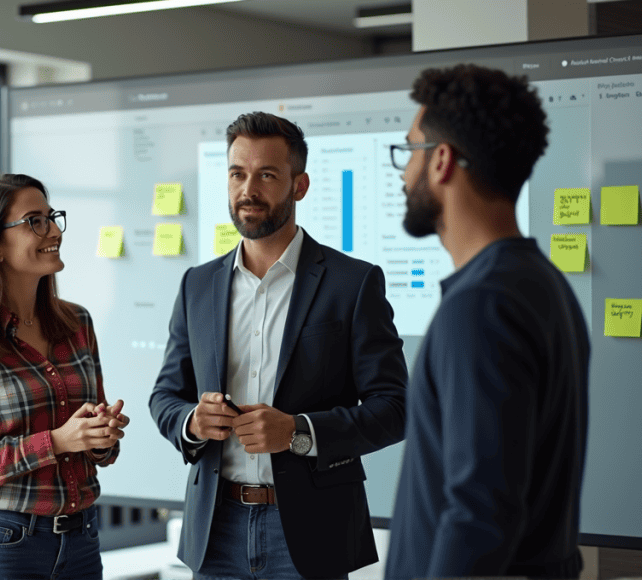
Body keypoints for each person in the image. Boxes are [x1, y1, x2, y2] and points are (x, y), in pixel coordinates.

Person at [149, 112, 408, 579]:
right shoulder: (197, 285)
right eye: (237, 173)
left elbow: (395, 408)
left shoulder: (353, 283)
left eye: (266, 175)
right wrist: (192, 421)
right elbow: (165, 395)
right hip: (216, 528)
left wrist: (297, 432)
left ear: (299, 185)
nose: (248, 189)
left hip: (311, 531)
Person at [385, 64, 591, 579]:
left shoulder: (480, 308)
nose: (404, 173)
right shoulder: (542, 285)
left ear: (442, 162)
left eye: (410, 152)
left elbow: (480, 514)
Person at [0, 174, 128, 580]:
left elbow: (100, 453)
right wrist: (58, 441)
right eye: (35, 221)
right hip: (4, 544)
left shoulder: (78, 322)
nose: (55, 231)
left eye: (53, 217)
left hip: (82, 538)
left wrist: (100, 436)